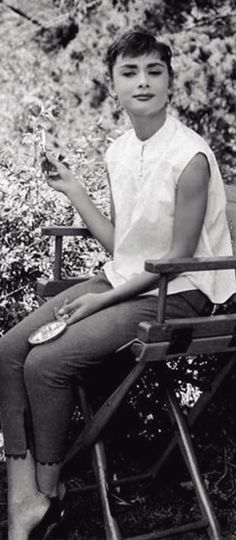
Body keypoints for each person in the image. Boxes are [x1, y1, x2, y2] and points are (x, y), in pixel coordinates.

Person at [0, 29, 235, 540]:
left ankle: (45, 492)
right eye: (129, 72)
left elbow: (177, 258)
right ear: (114, 86)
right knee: (9, 350)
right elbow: (123, 247)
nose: (143, 81)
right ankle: (31, 498)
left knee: (47, 362)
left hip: (183, 293)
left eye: (154, 71)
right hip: (130, 281)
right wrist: (76, 192)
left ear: (171, 82)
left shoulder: (189, 157)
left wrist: (99, 301)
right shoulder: (118, 151)